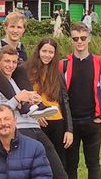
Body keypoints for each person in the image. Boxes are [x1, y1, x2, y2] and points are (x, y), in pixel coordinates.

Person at [0, 45, 101, 179]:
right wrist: (17, 99)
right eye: (6, 61)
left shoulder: (18, 81)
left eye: (13, 62)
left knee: (59, 176)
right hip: (20, 133)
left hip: (35, 128)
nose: (10, 65)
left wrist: (31, 99)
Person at [61, 22, 101, 179]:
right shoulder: (64, 64)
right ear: (71, 40)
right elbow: (59, 92)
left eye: (83, 38)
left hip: (92, 121)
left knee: (93, 163)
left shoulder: (100, 64)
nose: (80, 42)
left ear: (89, 39)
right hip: (71, 124)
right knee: (71, 164)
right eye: (76, 39)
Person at [26, 37, 73, 169]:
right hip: (37, 122)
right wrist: (36, 114)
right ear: (38, 51)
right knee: (38, 162)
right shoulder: (28, 71)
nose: (47, 55)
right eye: (44, 51)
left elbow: (65, 101)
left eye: (51, 52)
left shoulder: (57, 74)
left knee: (58, 163)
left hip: (57, 122)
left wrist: (69, 129)